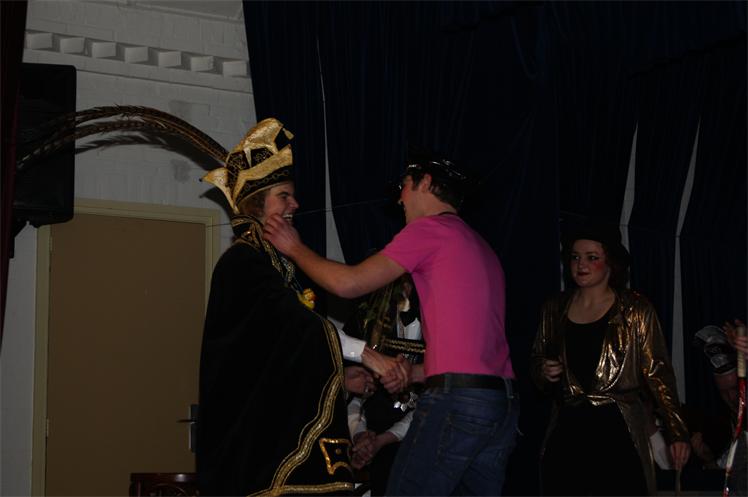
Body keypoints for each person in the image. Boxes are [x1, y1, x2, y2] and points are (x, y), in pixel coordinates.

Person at [263, 154, 518, 496]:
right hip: (500, 404)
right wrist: (412, 373)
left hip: (458, 403)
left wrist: (294, 247)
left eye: (404, 187)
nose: (400, 199)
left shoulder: (431, 229)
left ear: (425, 182)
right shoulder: (480, 245)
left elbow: (349, 284)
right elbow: (474, 355)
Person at [196, 117, 403, 496]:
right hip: (254, 438)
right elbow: (296, 326)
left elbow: (283, 350)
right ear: (257, 205)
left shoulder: (275, 265)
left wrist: (340, 374)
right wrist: (367, 355)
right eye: (284, 197)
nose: (296, 204)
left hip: (272, 426)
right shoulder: (243, 263)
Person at [530, 222, 690, 496]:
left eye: (592, 257)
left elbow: (658, 372)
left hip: (617, 431)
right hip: (568, 430)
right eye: (575, 257)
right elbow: (536, 358)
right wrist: (543, 370)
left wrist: (677, 432)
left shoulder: (635, 309)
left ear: (611, 264)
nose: (581, 264)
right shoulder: (554, 308)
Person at [345, 273, 425, 495]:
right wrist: (360, 433)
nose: (406, 290)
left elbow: (436, 400)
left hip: (421, 437)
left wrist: (382, 440)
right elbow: (352, 391)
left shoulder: (440, 326)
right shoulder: (365, 321)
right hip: (372, 431)